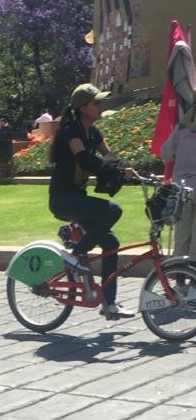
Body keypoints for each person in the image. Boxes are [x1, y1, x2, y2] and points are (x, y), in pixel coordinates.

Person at [48, 83, 136, 319]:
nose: (100, 106)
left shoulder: (94, 132)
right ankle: (76, 255)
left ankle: (109, 304)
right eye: (96, 103)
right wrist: (116, 170)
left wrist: (127, 170)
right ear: (83, 107)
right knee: (113, 210)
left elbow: (109, 158)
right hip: (62, 199)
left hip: (78, 198)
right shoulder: (72, 131)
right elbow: (85, 161)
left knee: (111, 244)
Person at [161, 103, 196, 261]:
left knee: (181, 236)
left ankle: (180, 279)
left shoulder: (181, 128)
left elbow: (166, 153)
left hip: (182, 189)